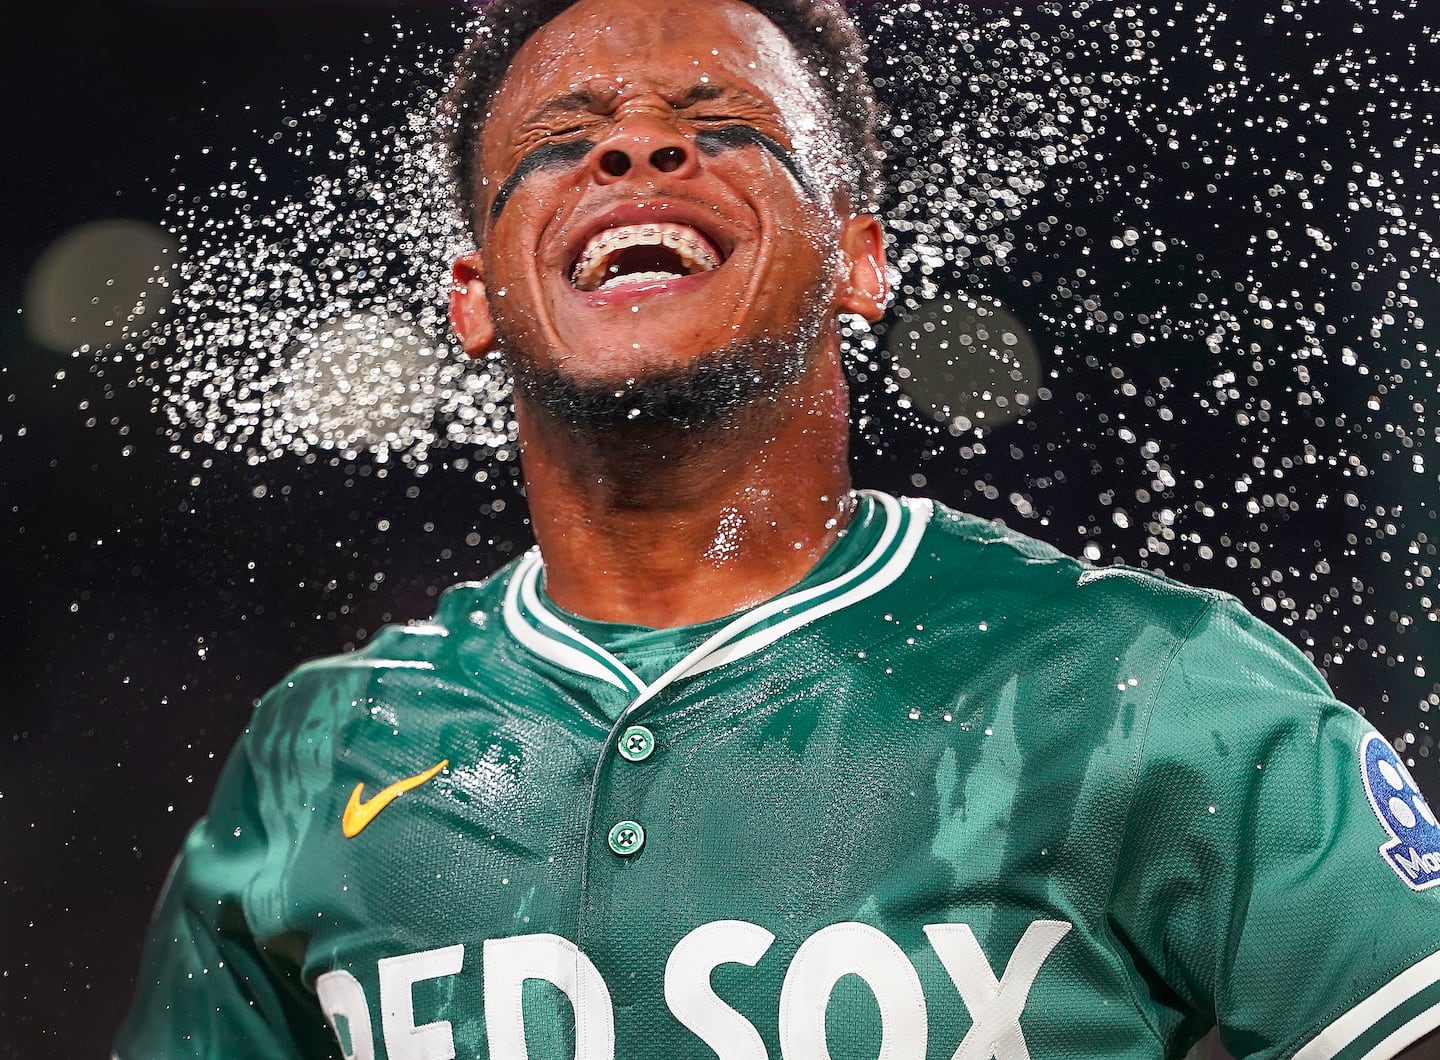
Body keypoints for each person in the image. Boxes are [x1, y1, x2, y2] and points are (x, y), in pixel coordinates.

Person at [115, 0, 1440, 1057]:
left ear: (861, 259)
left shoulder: (1142, 682)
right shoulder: (321, 750)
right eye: (567, 136)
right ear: (475, 294)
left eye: (721, 121)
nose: (634, 150)